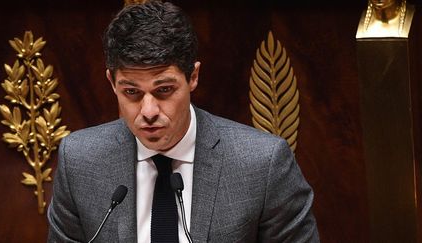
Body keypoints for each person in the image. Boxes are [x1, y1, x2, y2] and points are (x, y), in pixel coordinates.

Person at [47, 1, 319, 242]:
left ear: (193, 77)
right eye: (132, 92)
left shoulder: (262, 164)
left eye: (164, 90)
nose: (149, 110)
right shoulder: (80, 161)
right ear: (111, 82)